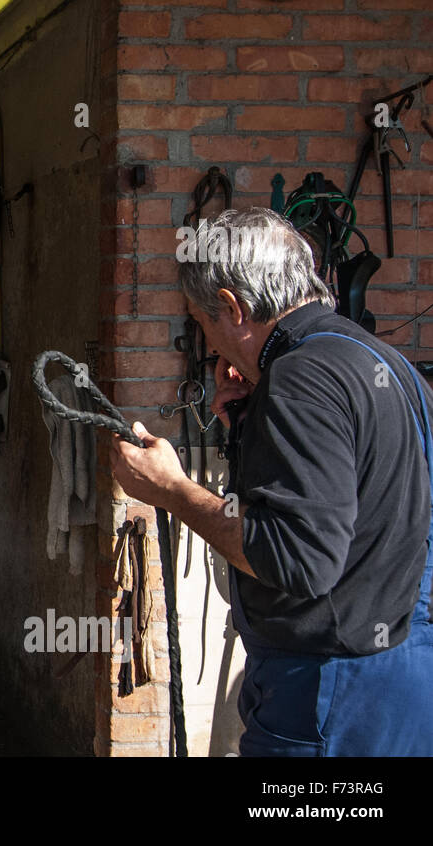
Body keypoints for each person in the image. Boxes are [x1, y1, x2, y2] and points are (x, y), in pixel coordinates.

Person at [109, 207, 433, 756]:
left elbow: (295, 557)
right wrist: (252, 425)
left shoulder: (300, 378)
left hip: (327, 695)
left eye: (205, 324)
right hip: (407, 675)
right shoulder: (386, 363)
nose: (212, 348)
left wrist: (172, 490)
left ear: (232, 307)